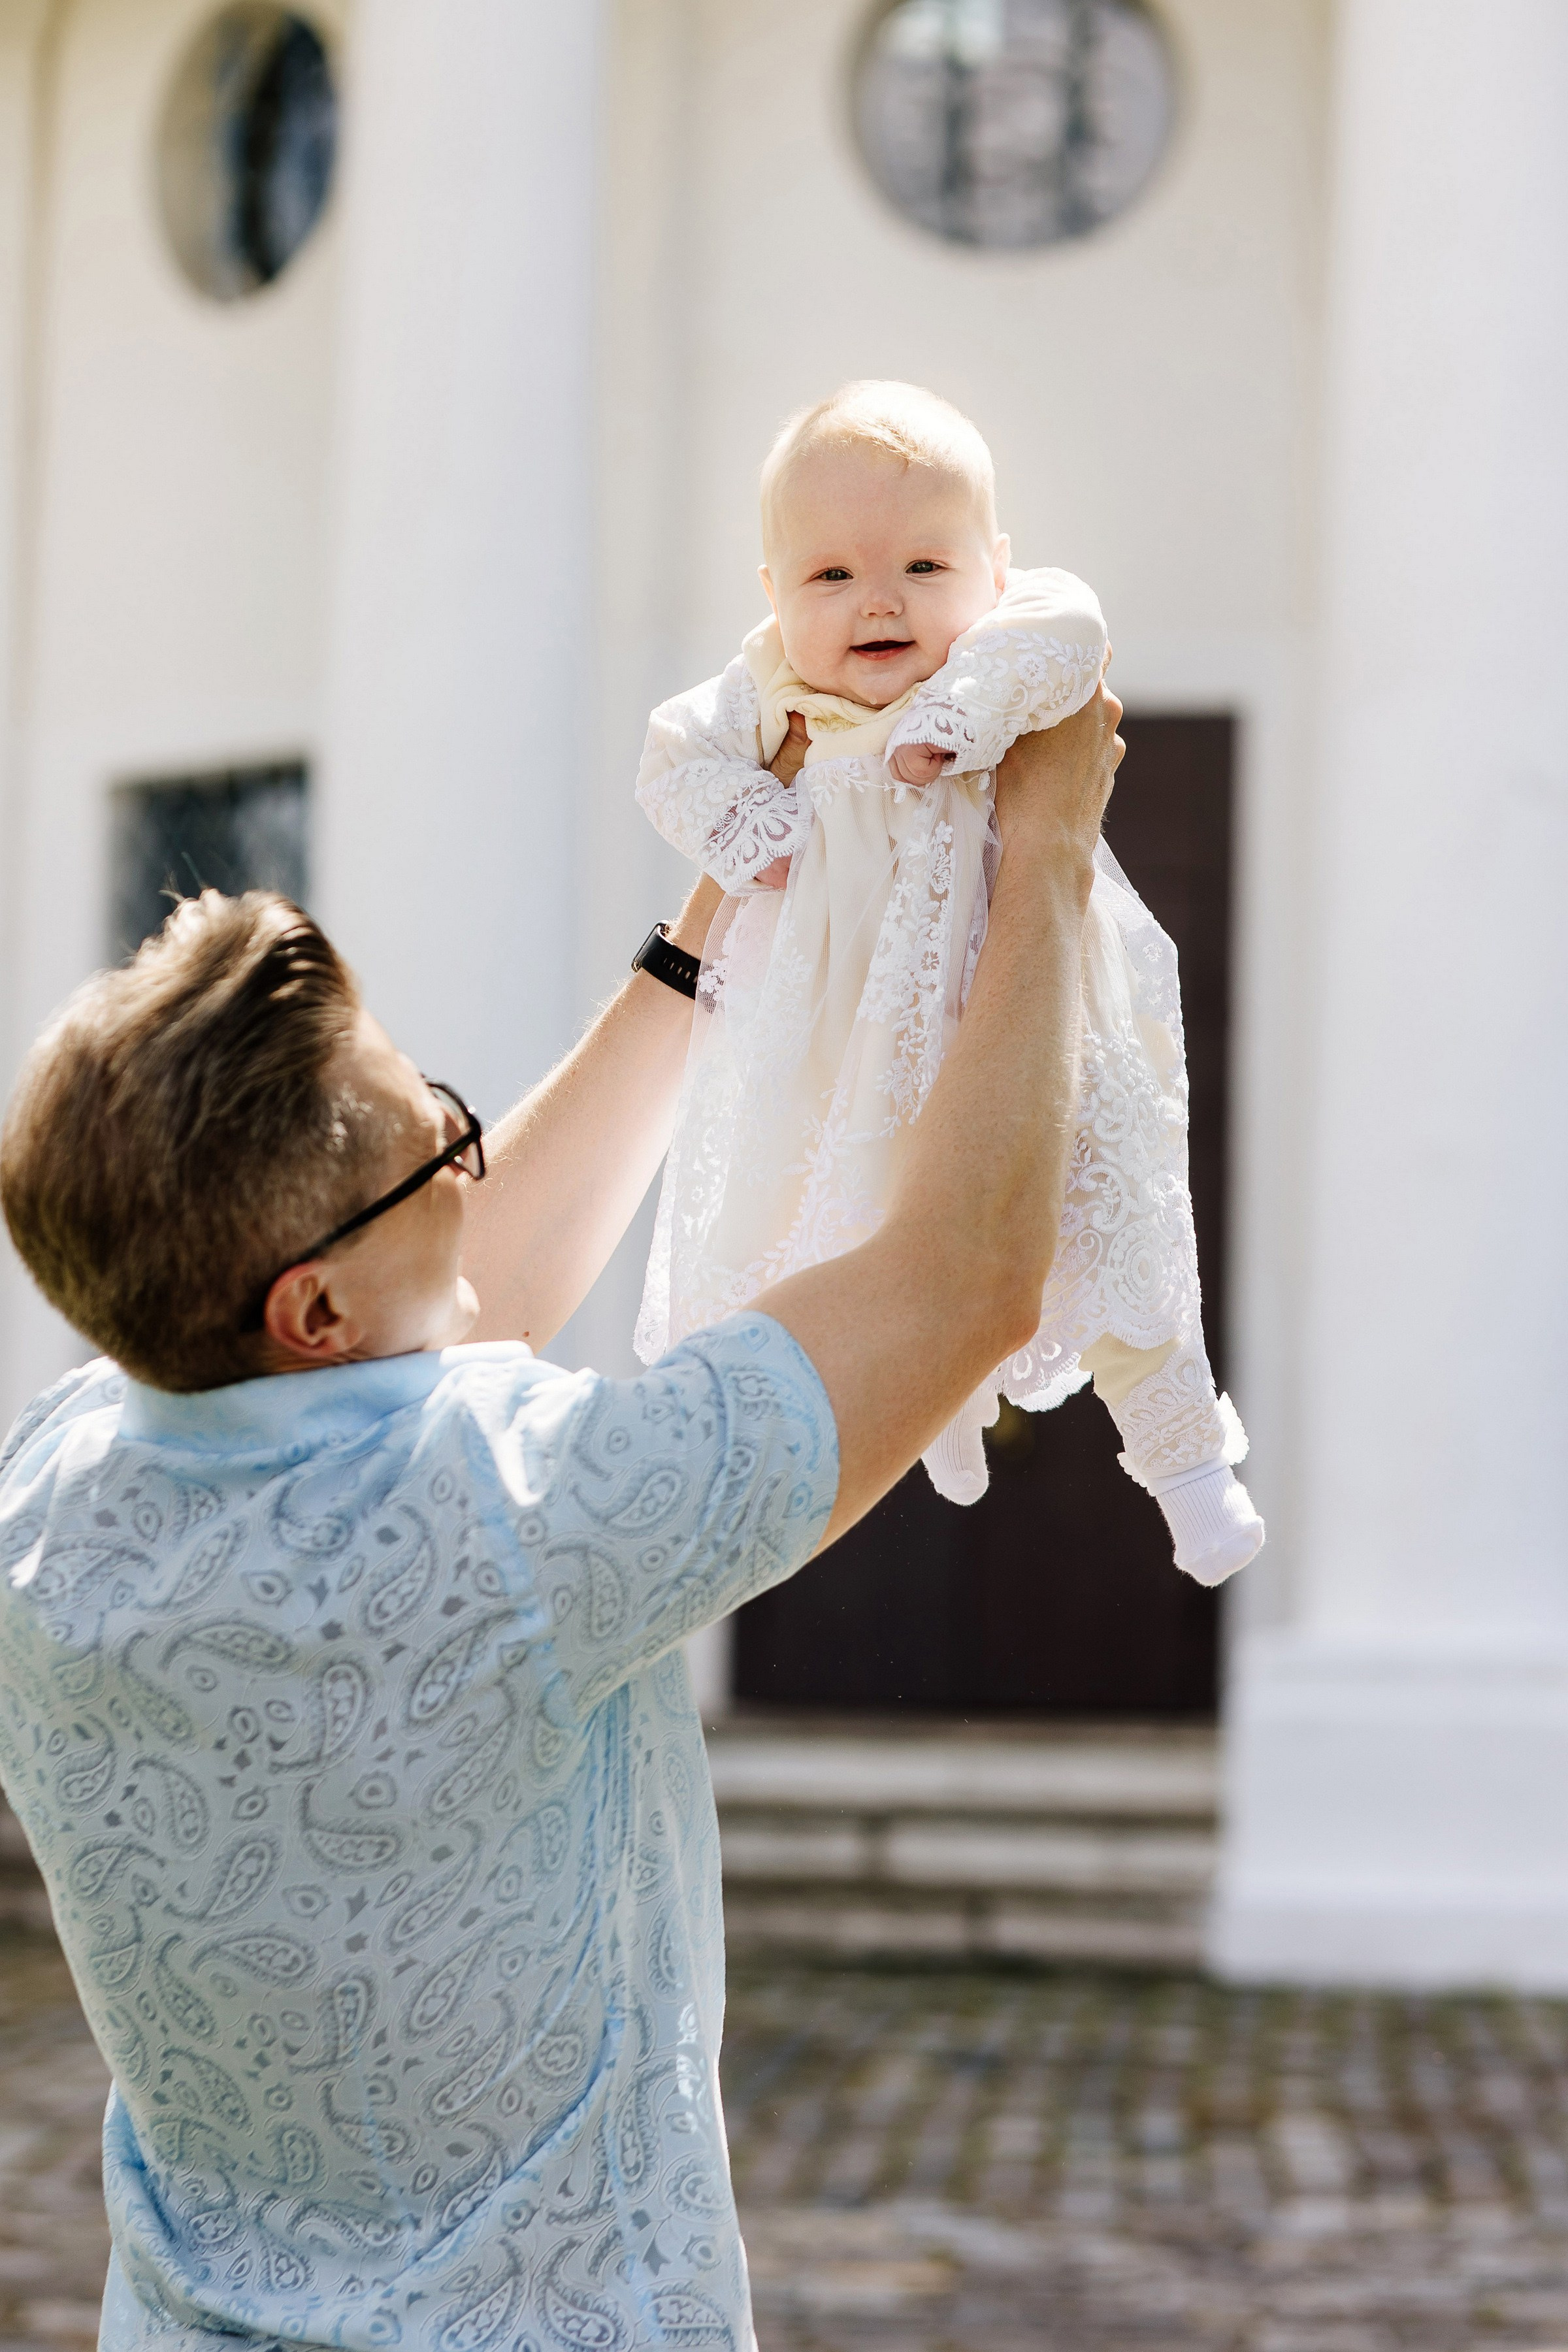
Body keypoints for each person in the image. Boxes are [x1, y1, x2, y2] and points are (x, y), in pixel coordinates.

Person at [0, 693, 1119, 2351]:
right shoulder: (517, 1510)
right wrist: (1047, 854)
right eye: (437, 1139)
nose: (469, 1159)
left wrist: (716, 914)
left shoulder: (49, 1495)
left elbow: (473, 1293)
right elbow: (962, 1281)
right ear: (309, 1309)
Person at [635, 382, 1263, 1580]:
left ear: (993, 567)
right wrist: (744, 827)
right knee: (831, 1231)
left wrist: (966, 716)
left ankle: (1189, 1471)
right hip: (840, 1036)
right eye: (831, 578)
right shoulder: (769, 688)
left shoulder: (1001, 651)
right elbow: (669, 758)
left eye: (926, 564)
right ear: (772, 595)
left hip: (1025, 1017)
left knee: (1114, 1217)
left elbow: (1071, 632)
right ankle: (934, 1421)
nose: (879, 600)